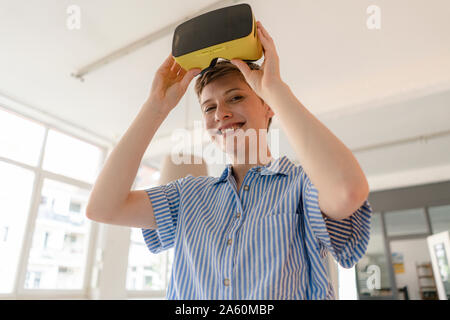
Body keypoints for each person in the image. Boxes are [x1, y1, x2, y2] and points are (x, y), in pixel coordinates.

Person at [86, 21, 372, 299]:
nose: (220, 113)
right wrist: (156, 108)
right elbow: (103, 208)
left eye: (235, 98)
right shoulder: (188, 195)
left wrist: (274, 88)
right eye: (209, 107)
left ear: (267, 106)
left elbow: (347, 190)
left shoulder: (301, 185)